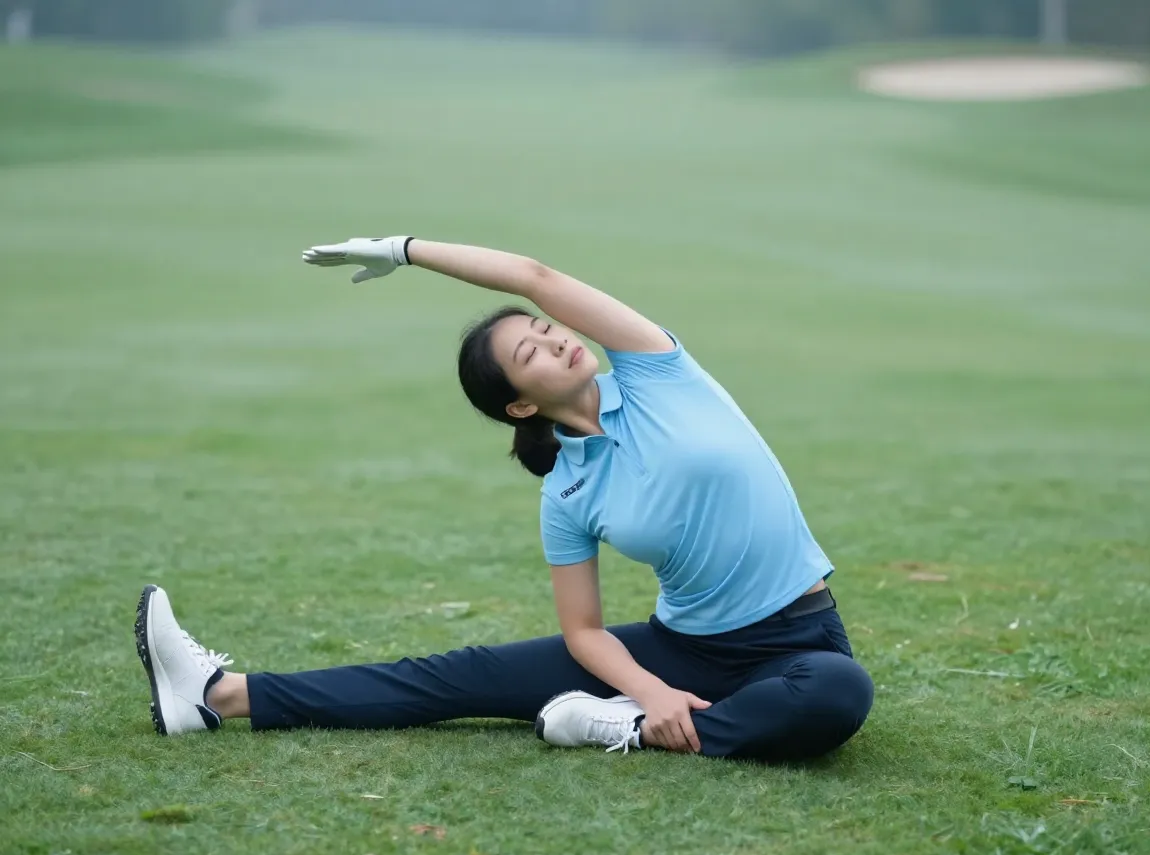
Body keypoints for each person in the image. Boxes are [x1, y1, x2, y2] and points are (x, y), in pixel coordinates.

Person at [134, 235, 874, 761]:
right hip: (686, 650)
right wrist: (652, 689)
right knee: (462, 676)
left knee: (837, 692)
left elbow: (532, 276)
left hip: (798, 640)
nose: (557, 342)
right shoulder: (567, 491)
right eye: (531, 354)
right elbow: (583, 632)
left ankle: (620, 729)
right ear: (520, 406)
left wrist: (403, 250)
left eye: (546, 332)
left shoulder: (659, 371)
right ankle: (218, 696)